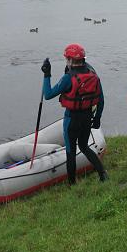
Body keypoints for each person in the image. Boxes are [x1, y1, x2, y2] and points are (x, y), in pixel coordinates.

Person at [41, 43, 108, 185]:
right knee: (84, 146)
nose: (66, 62)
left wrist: (47, 74)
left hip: (72, 119)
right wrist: (97, 119)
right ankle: (103, 174)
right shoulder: (93, 75)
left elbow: (47, 95)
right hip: (87, 117)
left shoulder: (68, 78)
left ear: (70, 60)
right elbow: (101, 100)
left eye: (67, 59)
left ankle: (72, 184)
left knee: (70, 151)